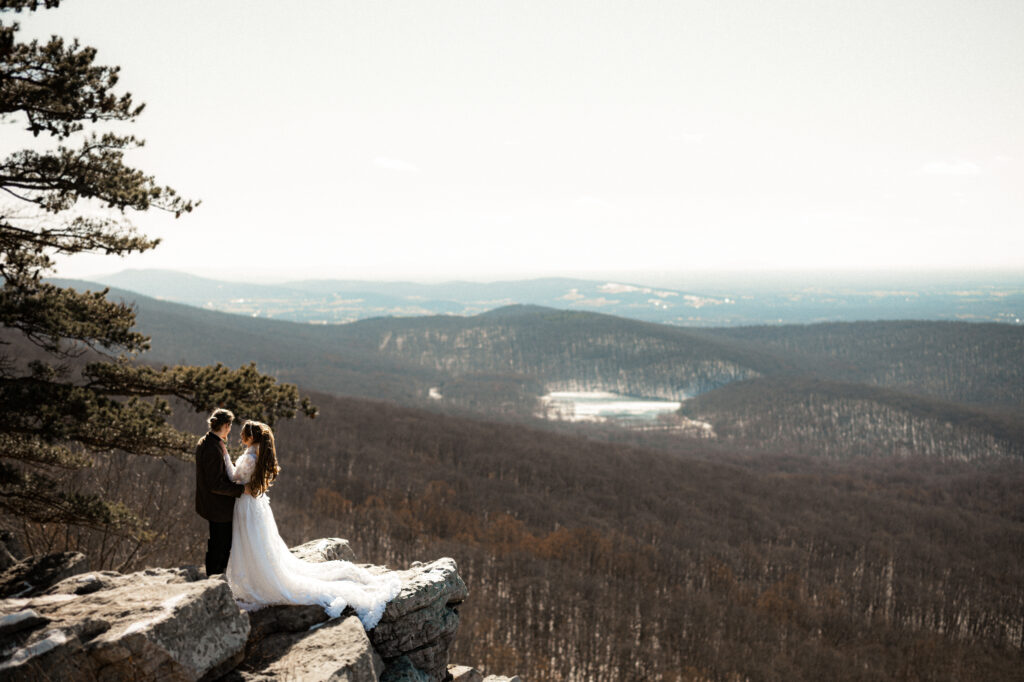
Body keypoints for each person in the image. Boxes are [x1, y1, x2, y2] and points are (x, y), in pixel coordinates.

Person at [224, 419, 402, 629]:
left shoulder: (250, 456)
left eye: (243, 435)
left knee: (248, 542)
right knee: (256, 543)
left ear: (250, 436)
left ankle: (253, 578)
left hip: (246, 505)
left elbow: (234, 477)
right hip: (256, 505)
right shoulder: (261, 453)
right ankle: (253, 574)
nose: (241, 438)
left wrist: (225, 456)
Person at [194, 408, 248, 576]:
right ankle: (215, 579)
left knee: (219, 543)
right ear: (226, 425)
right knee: (220, 545)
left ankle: (216, 577)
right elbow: (215, 484)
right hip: (218, 507)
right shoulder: (212, 448)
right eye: (230, 426)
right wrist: (242, 489)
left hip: (214, 505)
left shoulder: (209, 442)